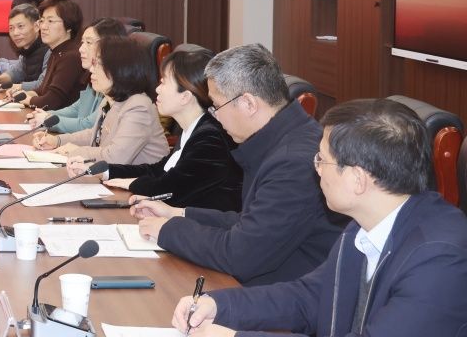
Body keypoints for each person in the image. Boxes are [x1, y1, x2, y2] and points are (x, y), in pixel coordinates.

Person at [173, 98, 467, 337]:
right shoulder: (363, 227)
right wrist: (219, 305)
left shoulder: (442, 260)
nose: (316, 169)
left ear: (357, 179)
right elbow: (308, 298)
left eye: (321, 159)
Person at [132, 43, 346, 286]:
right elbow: (251, 223)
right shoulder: (283, 138)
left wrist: (168, 230)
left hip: (287, 298)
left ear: (248, 104)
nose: (214, 116)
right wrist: (178, 214)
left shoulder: (293, 163)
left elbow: (240, 254)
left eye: (216, 106)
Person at [101, 49, 243, 211]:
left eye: (163, 82)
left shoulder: (211, 138)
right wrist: (107, 171)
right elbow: (158, 170)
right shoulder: (194, 129)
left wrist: (132, 183)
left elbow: (169, 190)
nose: (157, 89)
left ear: (185, 97)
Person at [34, 36, 169, 166]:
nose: (92, 70)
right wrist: (57, 141)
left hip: (138, 181)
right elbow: (94, 135)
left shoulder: (138, 107)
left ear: (119, 69)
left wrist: (75, 151)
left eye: (98, 64)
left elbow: (115, 158)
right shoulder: (110, 100)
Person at [31, 17, 128, 135]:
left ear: (110, 47)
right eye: (82, 42)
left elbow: (90, 125)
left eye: (89, 43)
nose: (81, 49)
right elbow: (77, 108)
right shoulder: (93, 77)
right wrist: (46, 115)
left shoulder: (114, 86)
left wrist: (47, 120)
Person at [21, 0, 87, 110]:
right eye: (42, 21)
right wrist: (25, 94)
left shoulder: (71, 56)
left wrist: (27, 99)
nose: (43, 27)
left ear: (69, 26)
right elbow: (43, 90)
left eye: (50, 21)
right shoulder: (56, 52)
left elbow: (51, 102)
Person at [0, 4, 48, 92]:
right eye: (11, 28)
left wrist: (1, 86)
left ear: (36, 27)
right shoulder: (26, 50)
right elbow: (17, 72)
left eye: (20, 26)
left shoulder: (49, 50)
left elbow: (42, 85)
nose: (15, 33)